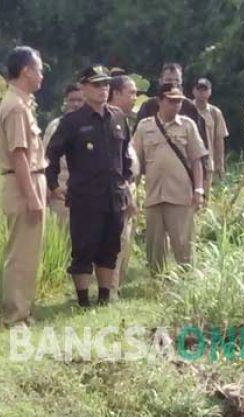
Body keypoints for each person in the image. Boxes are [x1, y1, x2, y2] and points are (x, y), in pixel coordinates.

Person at [46, 65, 135, 307]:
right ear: (84, 88)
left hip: (113, 195)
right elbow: (51, 155)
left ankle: (105, 297)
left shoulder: (118, 117)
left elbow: (126, 153)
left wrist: (126, 180)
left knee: (110, 249)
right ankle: (83, 300)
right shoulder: (73, 121)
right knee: (84, 249)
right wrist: (53, 185)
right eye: (96, 84)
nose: (103, 89)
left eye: (106, 84)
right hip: (85, 197)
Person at [0, 46, 46, 327]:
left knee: (29, 253)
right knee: (21, 255)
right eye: (38, 69)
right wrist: (33, 197)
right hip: (22, 184)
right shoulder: (15, 107)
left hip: (29, 180)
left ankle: (23, 312)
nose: (41, 76)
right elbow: (19, 155)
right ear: (26, 70)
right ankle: (15, 317)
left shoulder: (23, 104)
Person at [132, 83, 208, 274]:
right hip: (154, 194)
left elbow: (197, 159)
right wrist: (133, 191)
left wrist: (199, 189)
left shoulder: (188, 125)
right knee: (154, 245)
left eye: (179, 102)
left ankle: (186, 280)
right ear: (160, 101)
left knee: (184, 243)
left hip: (181, 194)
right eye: (171, 101)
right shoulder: (144, 126)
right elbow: (135, 162)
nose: (176, 105)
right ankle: (156, 280)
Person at [108, 74, 140, 287]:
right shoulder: (108, 120)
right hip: (116, 191)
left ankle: (115, 288)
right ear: (116, 93)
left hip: (128, 188)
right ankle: (107, 290)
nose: (135, 98)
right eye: (131, 93)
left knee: (125, 241)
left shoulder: (122, 120)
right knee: (115, 241)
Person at [42, 83, 85, 226]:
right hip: (61, 192)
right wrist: (49, 187)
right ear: (65, 102)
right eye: (72, 100)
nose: (76, 104)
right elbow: (45, 159)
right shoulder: (55, 126)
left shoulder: (92, 126)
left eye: (80, 100)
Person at [192, 78, 229, 182]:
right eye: (199, 89)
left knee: (205, 197)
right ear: (193, 91)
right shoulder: (186, 109)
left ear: (210, 92)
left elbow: (219, 139)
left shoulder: (215, 113)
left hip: (207, 162)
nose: (202, 93)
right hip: (188, 162)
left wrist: (220, 165)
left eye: (205, 90)